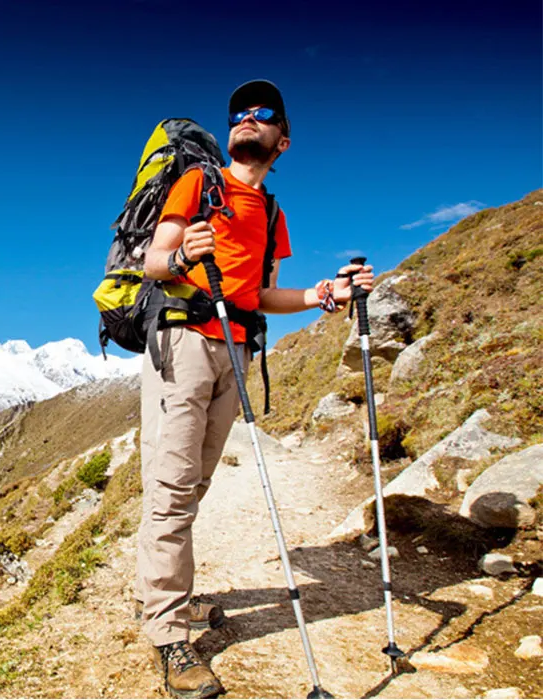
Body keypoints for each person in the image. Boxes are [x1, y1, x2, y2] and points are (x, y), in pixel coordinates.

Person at [135, 79, 374, 698]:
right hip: (184, 343)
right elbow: (153, 262)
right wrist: (183, 253)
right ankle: (167, 634)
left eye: (262, 113)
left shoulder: (271, 212)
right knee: (170, 488)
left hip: (237, 351)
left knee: (194, 484)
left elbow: (262, 293)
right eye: (240, 112)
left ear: (282, 141)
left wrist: (323, 295)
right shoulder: (198, 182)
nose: (246, 117)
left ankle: (171, 600)